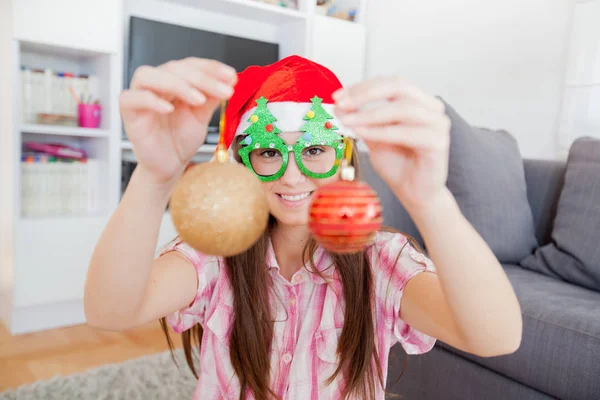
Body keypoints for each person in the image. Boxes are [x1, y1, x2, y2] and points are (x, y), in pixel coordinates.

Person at [84, 55, 523, 400]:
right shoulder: (214, 252)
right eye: (270, 153)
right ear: (245, 162)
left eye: (314, 149)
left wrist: (429, 200)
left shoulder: (382, 261)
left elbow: (496, 337)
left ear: (345, 157)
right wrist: (155, 176)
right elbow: (110, 311)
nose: (292, 177)